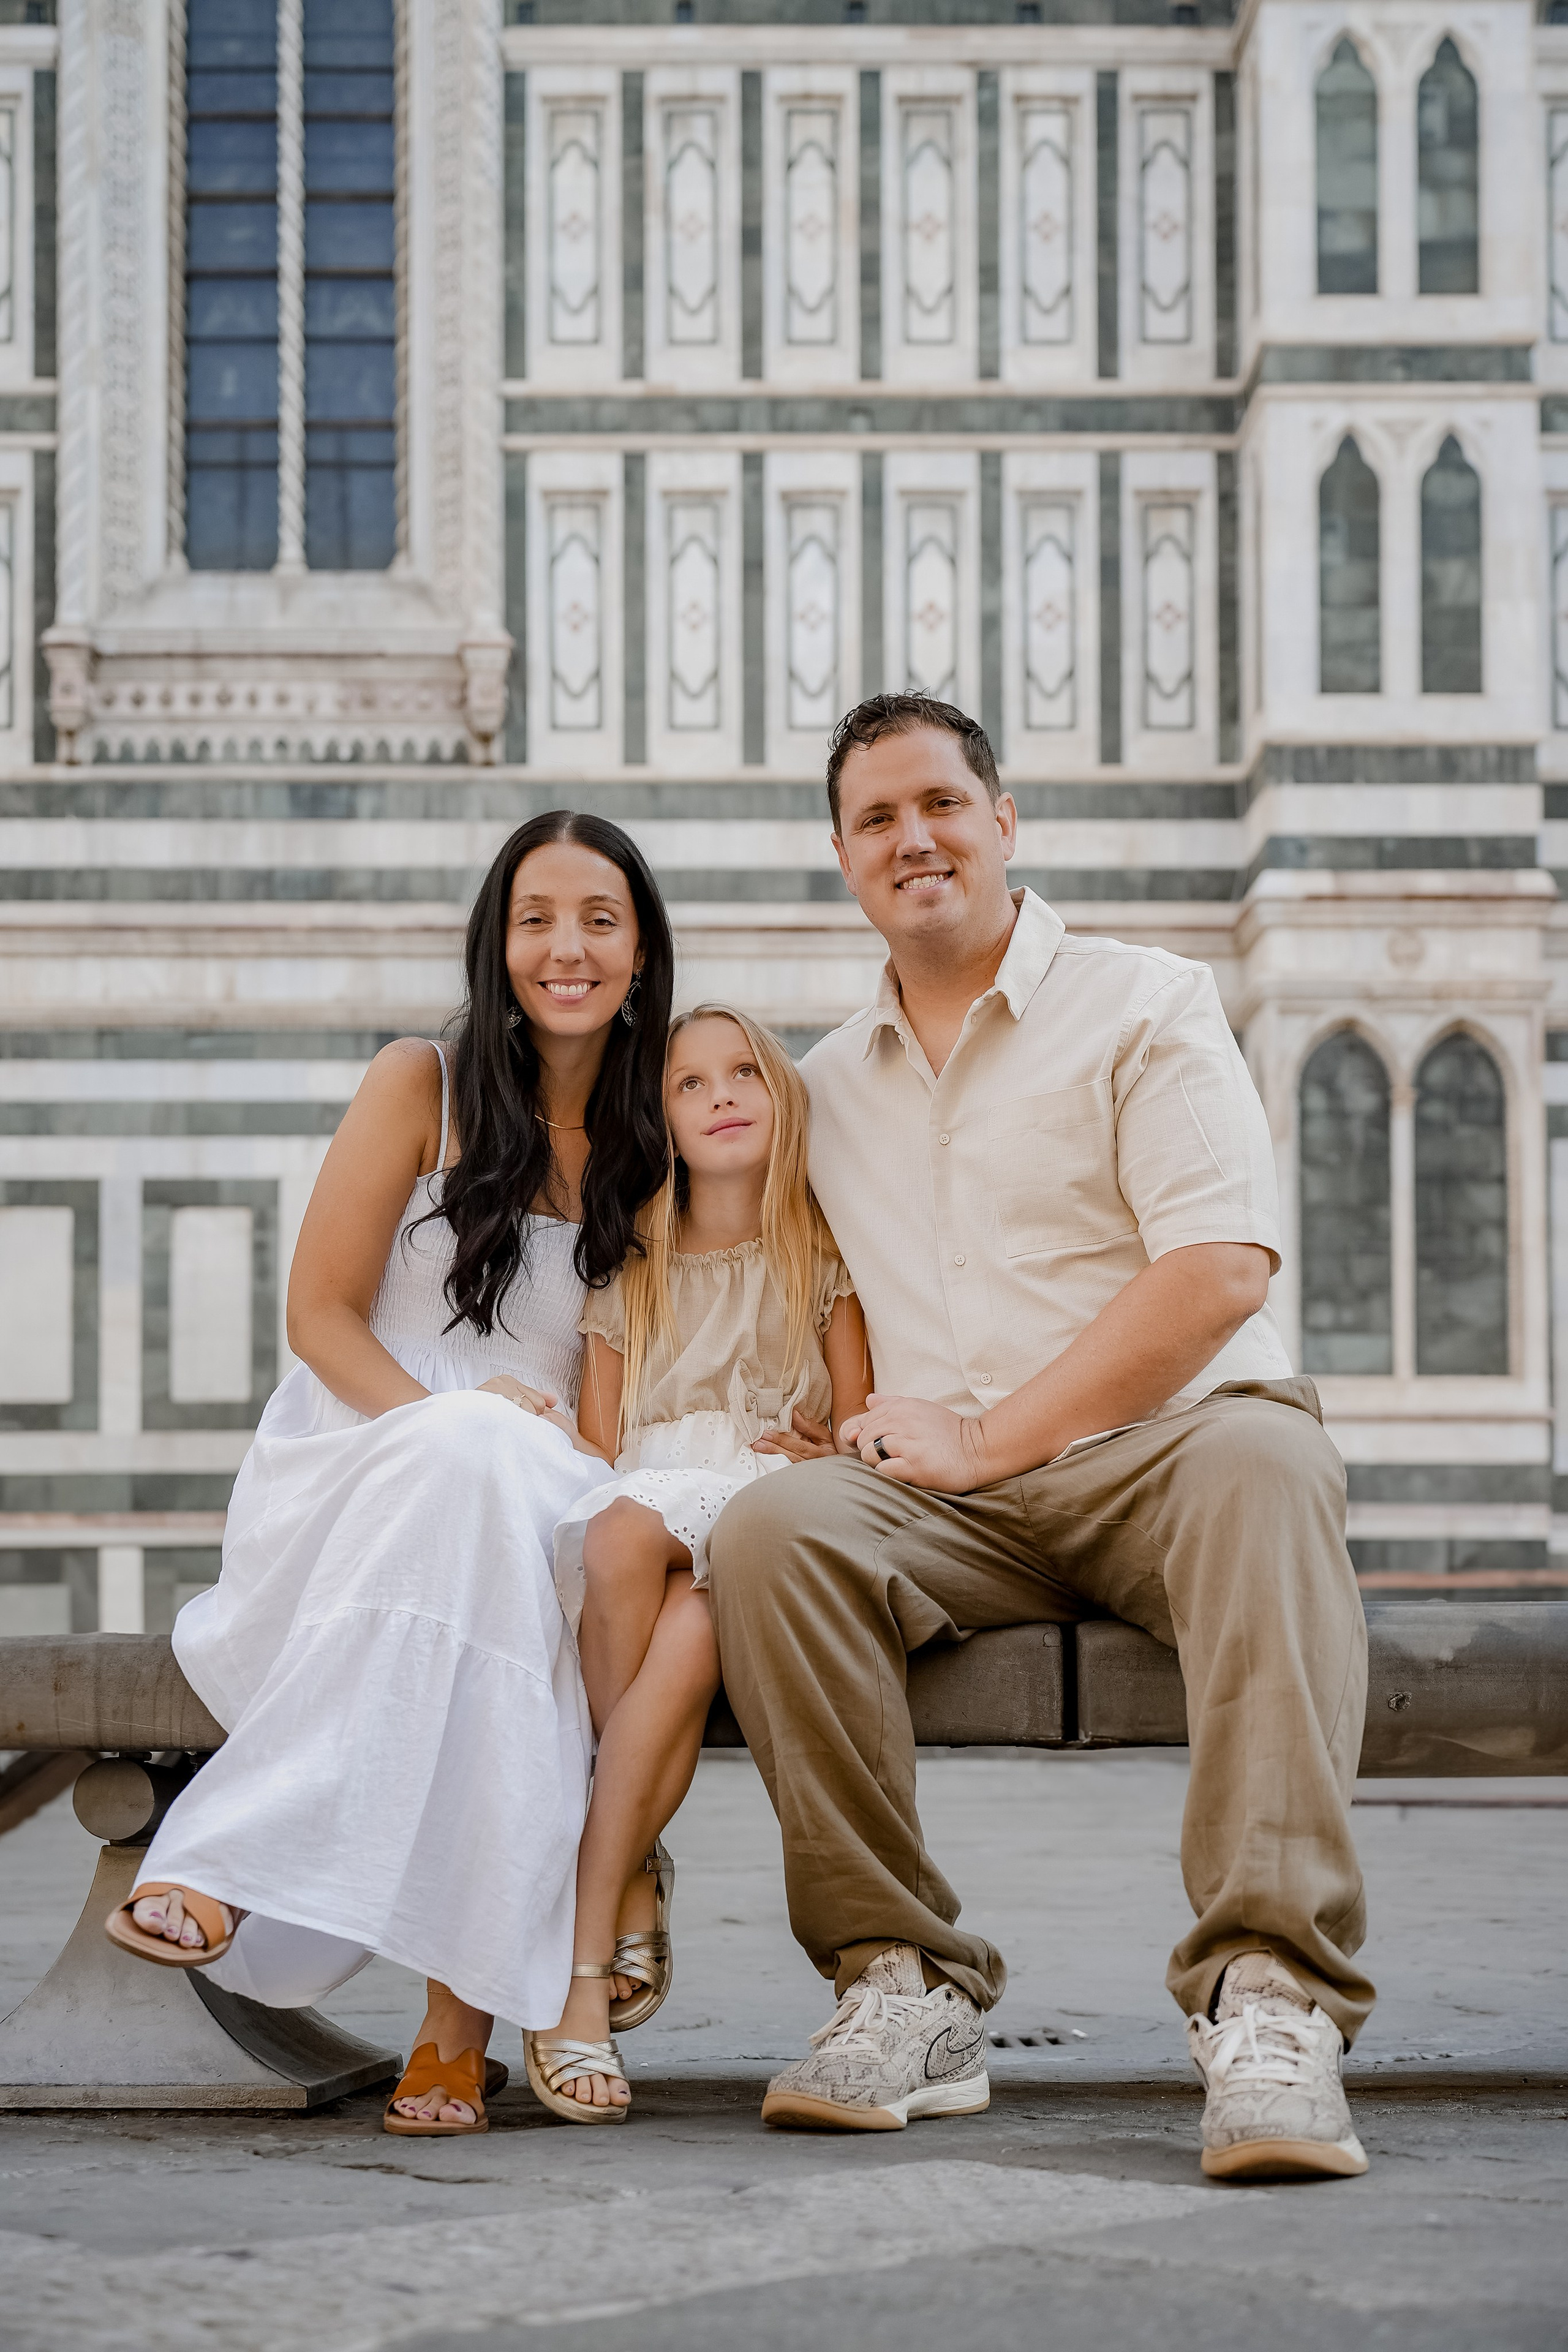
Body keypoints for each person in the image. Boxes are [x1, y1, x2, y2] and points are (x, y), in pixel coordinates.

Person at [706, 693, 1374, 2181]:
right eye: (875, 818)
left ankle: (1269, 1999)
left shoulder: (1144, 1000)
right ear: (841, 857)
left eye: (940, 803)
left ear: (1003, 822)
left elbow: (1215, 1276)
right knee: (771, 1533)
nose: (913, 837)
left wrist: (992, 1434)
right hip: (948, 1499)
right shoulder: (819, 1087)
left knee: (1271, 1462)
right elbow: (790, 1296)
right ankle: (903, 1983)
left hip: (1168, 1454)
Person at [105, 811, 674, 2139]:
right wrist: (442, 1419)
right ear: (498, 942)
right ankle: (449, 2028)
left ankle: (229, 1868)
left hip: (544, 1478)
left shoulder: (655, 1138)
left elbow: (626, 1384)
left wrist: (522, 1439)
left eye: (599, 917)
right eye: (535, 917)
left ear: (640, 951)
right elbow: (318, 1316)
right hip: (354, 1459)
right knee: (466, 1469)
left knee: (505, 1502)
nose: (565, 946)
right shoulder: (419, 1080)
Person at [526, 1005, 872, 2122]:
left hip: (769, 1504)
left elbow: (859, 1425)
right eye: (690, 1083)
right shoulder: (631, 1259)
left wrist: (832, 1447)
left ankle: (580, 1966)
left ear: (783, 1098)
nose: (721, 1095)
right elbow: (596, 1444)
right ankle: (626, 1872)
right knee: (634, 1548)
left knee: (667, 1583)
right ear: (662, 1117)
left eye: (745, 1074)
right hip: (651, 1503)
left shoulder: (824, 1252)